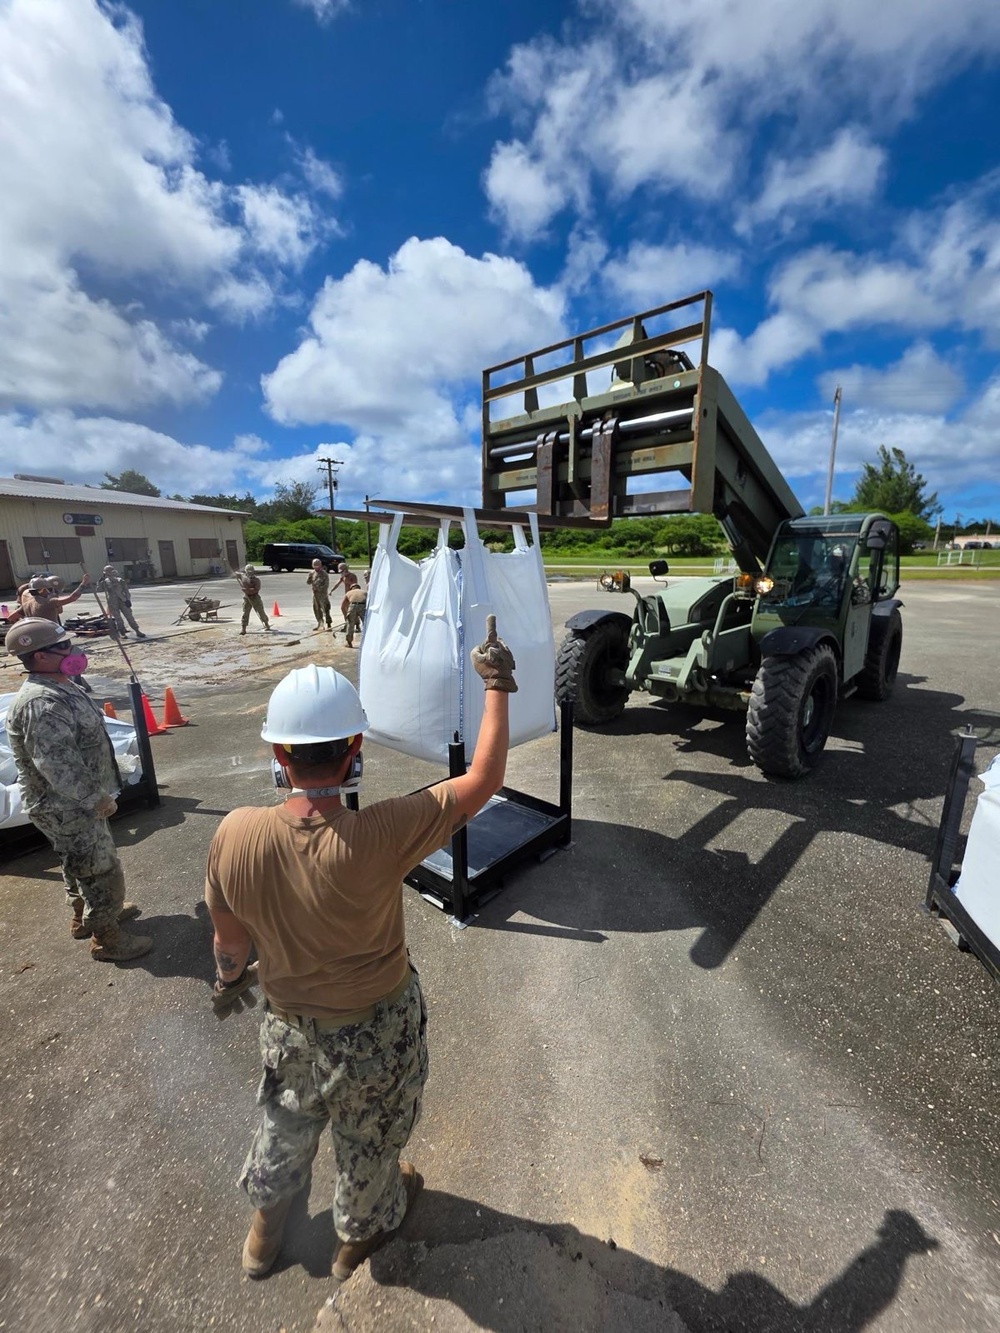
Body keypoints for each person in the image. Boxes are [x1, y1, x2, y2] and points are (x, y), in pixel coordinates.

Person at [205, 615, 517, 1282]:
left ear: (278, 757)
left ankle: (264, 1236)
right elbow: (485, 776)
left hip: (287, 1029)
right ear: (355, 750)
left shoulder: (233, 834)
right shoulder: (384, 831)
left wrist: (230, 977)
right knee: (370, 1139)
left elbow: (228, 949)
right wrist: (496, 680)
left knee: (285, 1125)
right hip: (374, 1029)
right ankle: (357, 1241)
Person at [3, 618, 152, 961]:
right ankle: (107, 936)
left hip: (72, 803)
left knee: (77, 862)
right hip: (67, 805)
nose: (75, 651)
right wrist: (97, 798)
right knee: (100, 868)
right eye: (64, 647)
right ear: (39, 657)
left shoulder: (62, 686)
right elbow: (57, 765)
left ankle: (83, 917)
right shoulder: (42, 704)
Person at [5, 571, 90, 626]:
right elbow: (72, 597)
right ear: (43, 590)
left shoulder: (27, 604)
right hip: (51, 635)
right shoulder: (48, 602)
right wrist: (83, 584)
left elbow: (11, 617)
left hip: (35, 636)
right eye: (48, 588)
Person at [96, 565, 146, 639]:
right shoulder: (105, 582)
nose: (109, 574)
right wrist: (99, 582)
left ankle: (137, 631)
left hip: (123, 600)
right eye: (107, 573)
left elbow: (126, 591)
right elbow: (99, 589)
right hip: (112, 602)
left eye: (110, 572)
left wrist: (128, 599)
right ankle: (122, 633)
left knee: (129, 616)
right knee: (118, 619)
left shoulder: (120, 580)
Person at [236, 564, 271, 635]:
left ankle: (266, 623)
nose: (250, 573)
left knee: (261, 612)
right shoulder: (243, 576)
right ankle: (243, 629)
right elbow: (236, 574)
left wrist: (247, 590)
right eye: (248, 572)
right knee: (245, 612)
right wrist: (235, 574)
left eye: (251, 572)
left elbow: (256, 589)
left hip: (255, 597)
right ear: (246, 572)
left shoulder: (256, 580)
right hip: (247, 598)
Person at [306, 559, 332, 631]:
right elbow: (308, 582)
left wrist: (318, 589)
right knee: (316, 609)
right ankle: (320, 623)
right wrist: (309, 577)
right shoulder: (312, 573)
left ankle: (328, 623)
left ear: (320, 565)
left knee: (326, 609)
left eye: (318, 565)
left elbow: (326, 585)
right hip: (315, 595)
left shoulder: (324, 574)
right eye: (315, 566)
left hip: (323, 595)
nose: (316, 567)